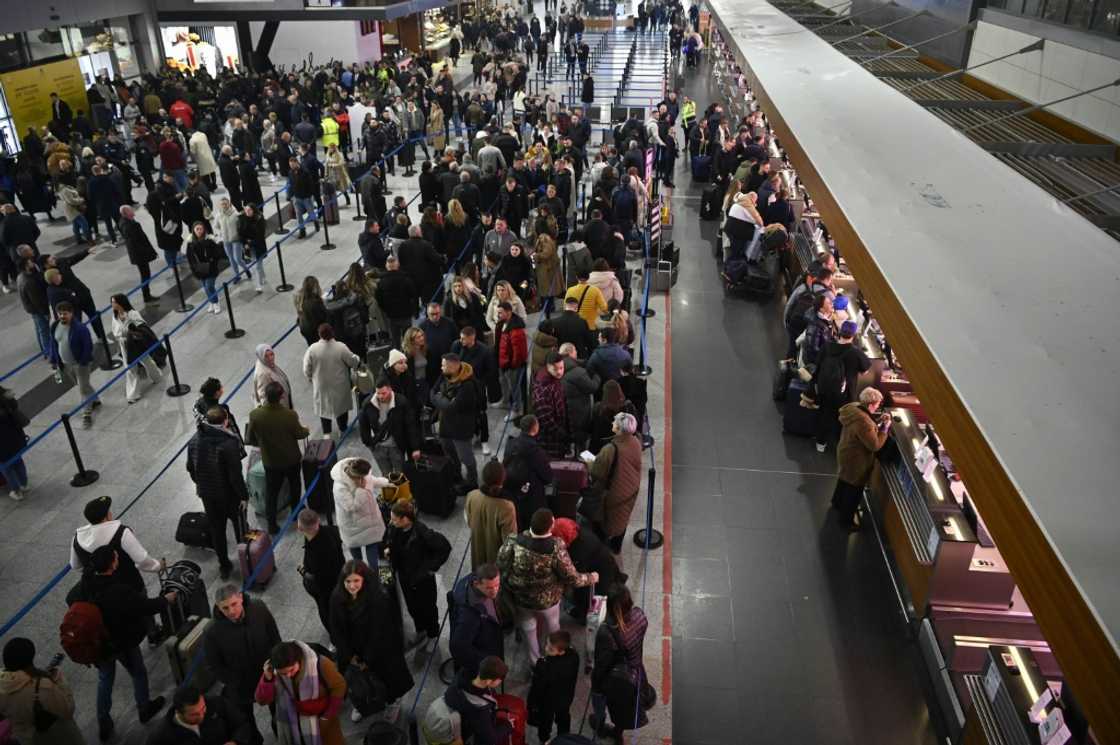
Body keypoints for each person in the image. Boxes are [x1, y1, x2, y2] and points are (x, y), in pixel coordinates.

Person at [73, 545, 171, 740]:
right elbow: (144, 606)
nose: (118, 558)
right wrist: (166, 600)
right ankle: (144, 708)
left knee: (105, 680)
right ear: (112, 564)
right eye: (116, 557)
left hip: (98, 643)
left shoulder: (87, 581)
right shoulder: (118, 590)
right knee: (138, 672)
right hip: (120, 642)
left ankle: (104, 722)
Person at [497, 508, 598, 664]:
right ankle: (553, 654)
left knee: (528, 625)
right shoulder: (556, 546)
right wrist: (591, 577)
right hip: (548, 600)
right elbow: (572, 577)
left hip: (521, 597)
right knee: (552, 624)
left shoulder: (513, 540)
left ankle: (535, 661)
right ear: (551, 526)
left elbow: (501, 564)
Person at [328, 560, 413, 723]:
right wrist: (349, 655)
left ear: (364, 580)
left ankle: (392, 703)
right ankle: (363, 701)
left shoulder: (377, 597)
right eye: (348, 581)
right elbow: (336, 630)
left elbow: (380, 632)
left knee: (388, 681)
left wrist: (366, 660)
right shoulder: (337, 597)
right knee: (359, 681)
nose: (352, 586)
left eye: (356, 581)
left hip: (379, 651)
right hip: (353, 652)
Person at [203, 585, 280, 744]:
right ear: (218, 607)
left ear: (240, 598)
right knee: (247, 724)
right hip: (240, 687)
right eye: (225, 608)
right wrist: (234, 681)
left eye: (234, 604)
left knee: (279, 713)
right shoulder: (212, 631)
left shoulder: (258, 608)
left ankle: (281, 735)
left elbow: (274, 637)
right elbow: (214, 665)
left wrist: (276, 664)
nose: (231, 611)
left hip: (267, 675)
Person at [186, 407, 249, 579]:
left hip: (208, 495)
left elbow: (190, 468)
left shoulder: (194, 440)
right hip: (230, 496)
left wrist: (202, 484)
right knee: (241, 528)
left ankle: (224, 565)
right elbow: (235, 476)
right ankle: (247, 562)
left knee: (217, 530)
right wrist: (244, 496)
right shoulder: (229, 443)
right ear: (225, 421)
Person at [384, 501, 452, 647]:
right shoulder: (394, 529)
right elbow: (387, 543)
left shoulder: (423, 533)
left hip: (422, 580)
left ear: (405, 519)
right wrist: (388, 550)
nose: (391, 522)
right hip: (405, 577)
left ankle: (433, 634)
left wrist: (431, 568)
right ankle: (420, 631)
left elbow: (445, 547)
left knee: (428, 608)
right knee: (412, 607)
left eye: (394, 519)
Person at [246, 381, 310, 534]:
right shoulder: (289, 415)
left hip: (271, 462)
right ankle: (295, 512)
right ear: (281, 397)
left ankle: (272, 524)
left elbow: (249, 439)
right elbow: (299, 434)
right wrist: (306, 430)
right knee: (295, 486)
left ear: (266, 396)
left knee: (272, 492)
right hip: (291, 460)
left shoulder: (255, 415)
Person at [255, 641, 347, 745]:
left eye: (291, 670)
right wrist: (267, 679)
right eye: (284, 673)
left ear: (298, 659)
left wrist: (326, 717)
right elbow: (262, 700)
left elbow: (339, 686)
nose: (288, 675)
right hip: (293, 729)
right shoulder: (274, 672)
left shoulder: (320, 664)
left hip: (323, 727)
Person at [591, 584, 650, 740]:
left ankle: (600, 725)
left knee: (599, 700)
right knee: (624, 708)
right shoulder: (639, 615)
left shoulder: (606, 632)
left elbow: (602, 665)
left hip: (615, 677)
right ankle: (618, 733)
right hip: (636, 672)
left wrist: (596, 684)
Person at [0, 637, 85, 745]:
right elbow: (68, 710)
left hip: (26, 739)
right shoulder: (42, 687)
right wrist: (59, 680)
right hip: (55, 736)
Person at [806, 320, 871, 453]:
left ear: (840, 332)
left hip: (824, 388)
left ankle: (820, 443)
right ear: (853, 335)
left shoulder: (827, 346)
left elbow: (818, 364)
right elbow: (865, 370)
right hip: (845, 393)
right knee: (843, 418)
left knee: (824, 414)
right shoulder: (856, 353)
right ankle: (839, 445)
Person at [832, 387, 891, 531]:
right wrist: (884, 429)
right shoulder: (864, 422)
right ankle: (846, 521)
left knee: (844, 479)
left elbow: (864, 427)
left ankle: (837, 502)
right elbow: (874, 445)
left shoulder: (853, 408)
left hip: (846, 451)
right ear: (871, 404)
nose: (878, 406)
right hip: (856, 460)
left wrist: (878, 420)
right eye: (877, 404)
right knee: (854, 489)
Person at [590, 412, 643, 553]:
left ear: (619, 429)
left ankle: (602, 547)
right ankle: (616, 547)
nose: (613, 422)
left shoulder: (610, 449)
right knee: (623, 519)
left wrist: (590, 463)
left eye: (615, 422)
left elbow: (596, 472)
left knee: (604, 522)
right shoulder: (636, 441)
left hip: (614, 494)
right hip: (630, 491)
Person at [431, 352, 480, 490]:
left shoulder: (467, 385)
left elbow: (451, 407)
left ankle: (472, 482)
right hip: (445, 425)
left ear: (453, 367)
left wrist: (439, 398)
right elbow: (432, 392)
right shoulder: (444, 375)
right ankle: (456, 476)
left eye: (444, 365)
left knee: (466, 457)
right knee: (449, 453)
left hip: (461, 429)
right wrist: (444, 400)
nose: (441, 368)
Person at [330, 457, 390, 570]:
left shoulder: (362, 473)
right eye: (363, 477)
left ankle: (373, 575)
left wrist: (389, 482)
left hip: (370, 524)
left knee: (373, 559)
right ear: (357, 477)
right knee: (357, 561)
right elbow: (351, 507)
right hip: (353, 527)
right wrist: (361, 490)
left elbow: (373, 480)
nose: (366, 479)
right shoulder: (340, 487)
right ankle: (361, 574)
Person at [302, 323, 360, 437]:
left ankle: (326, 433)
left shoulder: (312, 349)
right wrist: (357, 359)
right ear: (332, 333)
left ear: (319, 334)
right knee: (341, 407)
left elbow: (306, 368)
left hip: (321, 385)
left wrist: (310, 377)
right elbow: (352, 361)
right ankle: (342, 428)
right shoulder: (340, 347)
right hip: (340, 384)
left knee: (323, 409)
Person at [146, 684, 252, 745]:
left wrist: (235, 742)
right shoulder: (161, 737)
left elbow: (242, 724)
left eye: (203, 708)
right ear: (179, 713)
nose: (202, 716)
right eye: (194, 714)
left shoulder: (217, 703)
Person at [441, 657, 512, 745]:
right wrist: (508, 726)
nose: (501, 681)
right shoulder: (479, 709)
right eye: (500, 679)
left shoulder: (463, 674)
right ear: (488, 681)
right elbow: (490, 740)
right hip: (467, 732)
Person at [50, 301, 99, 428]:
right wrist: (54, 360)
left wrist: (82, 362)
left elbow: (88, 346)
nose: (62, 316)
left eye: (65, 313)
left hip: (80, 364)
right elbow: (53, 344)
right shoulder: (55, 326)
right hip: (66, 364)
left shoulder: (80, 329)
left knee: (82, 389)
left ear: (71, 313)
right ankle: (95, 400)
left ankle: (86, 415)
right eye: (60, 313)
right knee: (83, 385)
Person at [503, 415, 556, 531]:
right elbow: (548, 476)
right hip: (532, 495)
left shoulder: (510, 443)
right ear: (535, 427)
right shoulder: (535, 450)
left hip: (513, 491)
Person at [358, 378, 421, 476]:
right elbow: (363, 425)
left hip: (396, 447)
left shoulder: (401, 402)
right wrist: (368, 443)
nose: (380, 396)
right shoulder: (368, 403)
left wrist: (415, 447)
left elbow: (410, 425)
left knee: (400, 476)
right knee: (386, 476)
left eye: (383, 393)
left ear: (390, 389)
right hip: (378, 447)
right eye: (378, 393)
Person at [527, 630, 580, 743]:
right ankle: (564, 739)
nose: (546, 649)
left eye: (551, 649)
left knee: (545, 722)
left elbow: (537, 688)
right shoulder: (574, 657)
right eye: (547, 644)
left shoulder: (543, 665)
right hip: (566, 697)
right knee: (563, 718)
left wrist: (531, 704)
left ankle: (544, 740)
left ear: (561, 651)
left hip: (547, 701)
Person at [464, 461, 518, 569]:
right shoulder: (506, 507)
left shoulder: (472, 495)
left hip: (477, 552)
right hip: (495, 561)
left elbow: (468, 521)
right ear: (502, 480)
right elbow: (509, 541)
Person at [375, 255, 420, 347]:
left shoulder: (381, 282)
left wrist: (386, 310)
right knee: (408, 340)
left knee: (395, 341)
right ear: (397, 265)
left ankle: (397, 354)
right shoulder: (406, 279)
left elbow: (379, 299)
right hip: (406, 314)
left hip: (392, 316)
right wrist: (416, 311)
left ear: (386, 266)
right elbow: (414, 296)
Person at [494, 302, 528, 418]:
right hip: (503, 361)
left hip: (511, 365)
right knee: (503, 382)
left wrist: (512, 365)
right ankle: (505, 402)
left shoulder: (516, 330)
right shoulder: (502, 323)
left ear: (508, 312)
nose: (498, 315)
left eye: (500, 313)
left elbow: (519, 352)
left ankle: (516, 410)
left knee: (515, 388)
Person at [532, 353, 570, 457]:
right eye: (555, 369)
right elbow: (546, 419)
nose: (559, 372)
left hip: (557, 434)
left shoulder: (554, 380)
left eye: (561, 368)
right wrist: (561, 433)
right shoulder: (543, 387)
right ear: (548, 367)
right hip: (549, 439)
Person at [119, 205, 159, 303]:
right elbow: (140, 241)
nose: (133, 211)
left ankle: (147, 295)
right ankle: (146, 296)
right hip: (140, 255)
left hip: (137, 255)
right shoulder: (131, 225)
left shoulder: (125, 223)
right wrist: (149, 252)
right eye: (130, 210)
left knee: (145, 274)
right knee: (145, 275)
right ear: (126, 213)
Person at [398, 224, 445, 304]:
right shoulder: (426, 245)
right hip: (426, 280)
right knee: (427, 301)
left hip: (410, 278)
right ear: (418, 232)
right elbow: (437, 259)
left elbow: (401, 261)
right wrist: (443, 258)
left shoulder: (403, 245)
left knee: (415, 301)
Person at [186, 221, 225, 314]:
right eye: (197, 229)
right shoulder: (190, 243)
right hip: (199, 269)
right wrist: (194, 268)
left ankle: (216, 303)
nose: (199, 231)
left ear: (204, 229)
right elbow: (190, 257)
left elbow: (218, 253)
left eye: (201, 229)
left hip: (211, 268)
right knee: (205, 287)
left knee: (209, 286)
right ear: (193, 230)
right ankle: (211, 302)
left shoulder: (209, 240)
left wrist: (212, 260)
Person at [0, 387, 30, 502]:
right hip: (16, 438)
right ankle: (24, 484)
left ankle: (16, 491)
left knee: (6, 467)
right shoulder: (6, 398)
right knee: (18, 461)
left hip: (2, 445)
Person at [251, 344, 292, 409]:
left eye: (271, 354)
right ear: (261, 357)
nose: (270, 358)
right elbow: (264, 398)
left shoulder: (266, 364)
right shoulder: (263, 375)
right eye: (266, 356)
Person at [294, 276, 329, 346]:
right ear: (314, 287)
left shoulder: (299, 297)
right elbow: (323, 317)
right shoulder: (314, 302)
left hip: (305, 328)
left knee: (311, 345)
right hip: (314, 331)